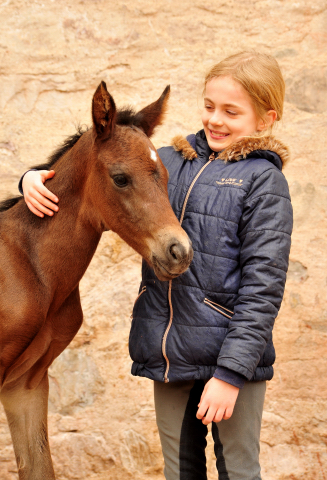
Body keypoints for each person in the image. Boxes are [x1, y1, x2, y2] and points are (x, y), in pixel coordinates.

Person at [19, 51, 293, 480]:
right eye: (209, 106)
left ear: (265, 119)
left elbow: (263, 289)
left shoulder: (263, 181)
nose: (215, 120)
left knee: (239, 470)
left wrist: (232, 373)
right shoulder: (167, 160)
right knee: (179, 471)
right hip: (172, 356)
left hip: (232, 363)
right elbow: (102, 173)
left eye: (231, 112)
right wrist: (31, 178)